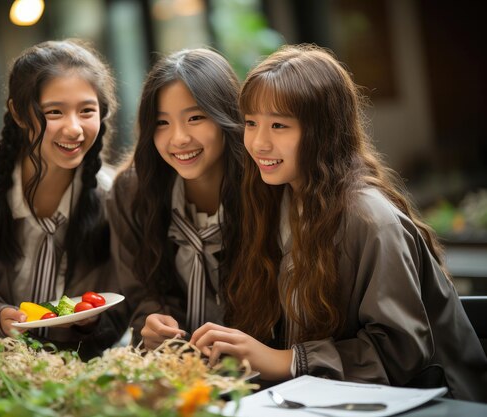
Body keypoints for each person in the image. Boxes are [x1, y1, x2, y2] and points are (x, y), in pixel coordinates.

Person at [189, 44, 487, 402]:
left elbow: (402, 351)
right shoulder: (274, 199)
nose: (259, 142)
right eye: (251, 123)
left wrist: (286, 361)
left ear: (323, 131)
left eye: (279, 125)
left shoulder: (371, 219)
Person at [0, 39, 128, 360]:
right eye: (54, 112)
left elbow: (120, 305)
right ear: (19, 113)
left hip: (75, 370)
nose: (74, 128)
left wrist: (89, 323)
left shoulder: (111, 194)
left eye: (87, 111)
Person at [107, 48, 245, 349]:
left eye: (195, 117)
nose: (179, 138)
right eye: (162, 123)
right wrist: (153, 322)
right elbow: (141, 293)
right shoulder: (133, 192)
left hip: (264, 370)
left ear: (227, 115)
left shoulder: (263, 186)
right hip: (179, 369)